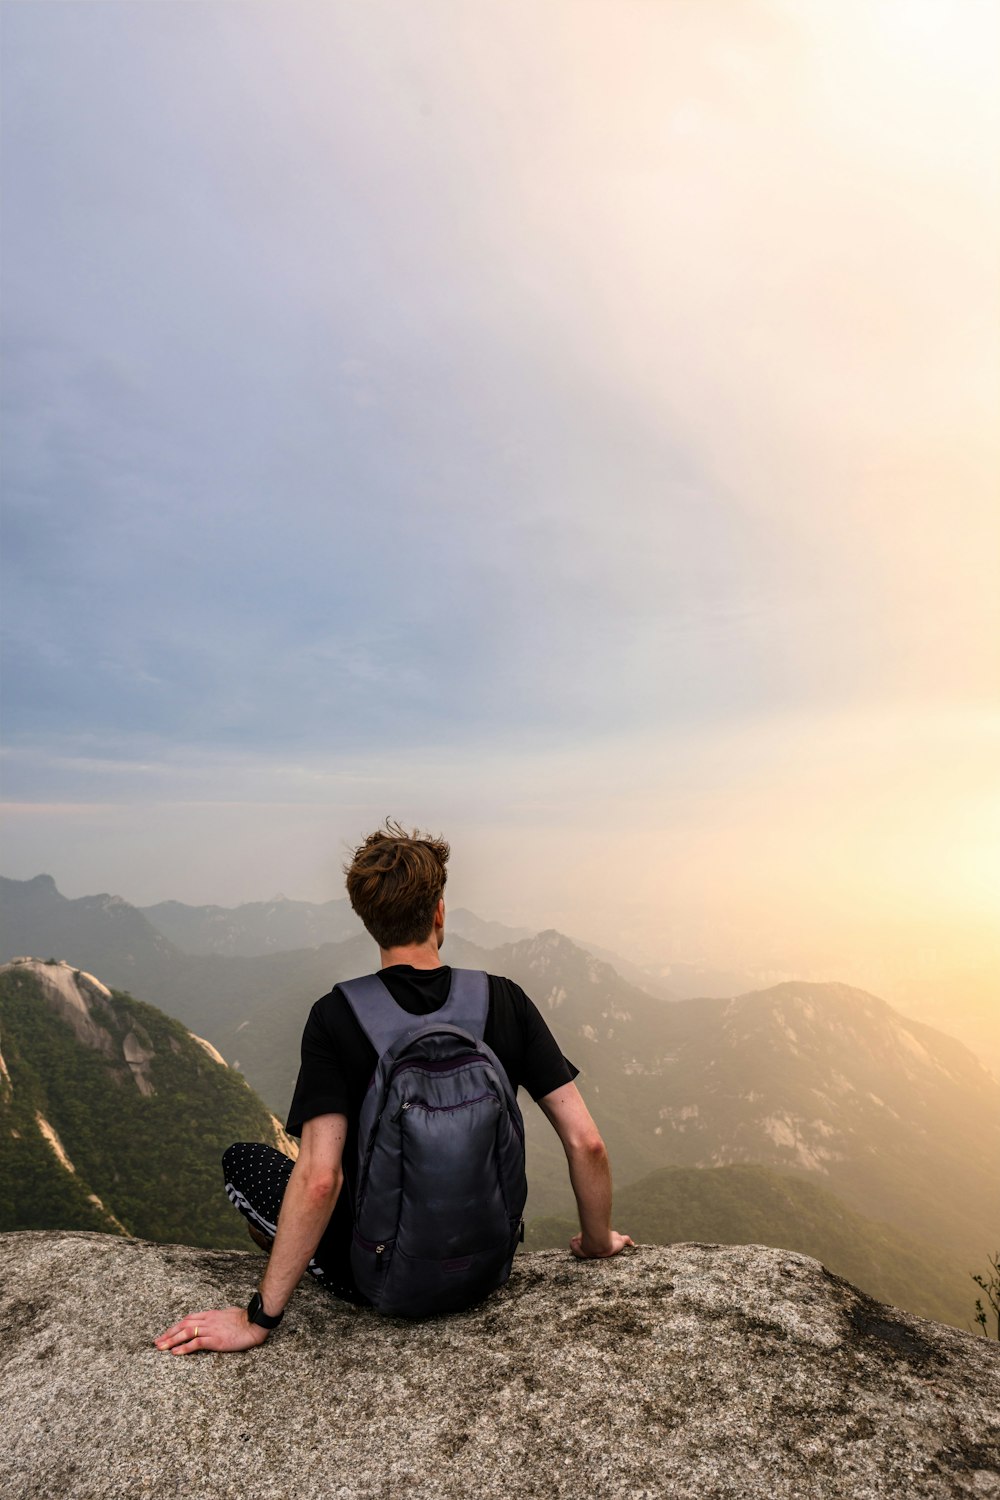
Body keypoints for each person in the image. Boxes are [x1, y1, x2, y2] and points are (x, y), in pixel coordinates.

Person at [155, 822, 633, 1355]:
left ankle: (299, 1263)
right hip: (488, 1269)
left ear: (369, 922)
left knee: (243, 1161)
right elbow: (586, 1142)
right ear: (439, 911)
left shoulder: (336, 1016)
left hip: (374, 1280)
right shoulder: (505, 1000)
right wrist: (597, 1243)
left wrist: (257, 1320)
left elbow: (319, 1180)